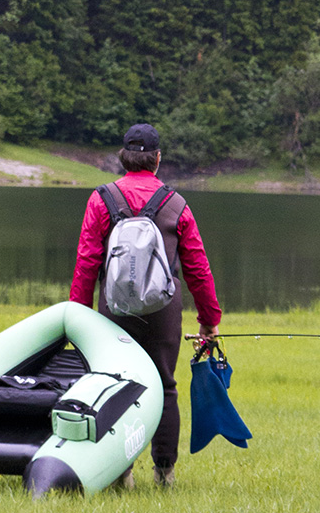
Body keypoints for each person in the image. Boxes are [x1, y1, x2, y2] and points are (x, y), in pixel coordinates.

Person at [70, 123, 222, 488]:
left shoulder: (101, 198)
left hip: (113, 311)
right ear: (157, 159)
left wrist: (78, 315)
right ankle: (164, 472)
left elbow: (87, 262)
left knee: (113, 385)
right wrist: (209, 320)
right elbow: (198, 267)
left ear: (123, 157)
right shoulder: (176, 205)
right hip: (163, 311)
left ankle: (121, 473)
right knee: (165, 386)